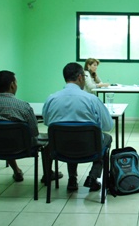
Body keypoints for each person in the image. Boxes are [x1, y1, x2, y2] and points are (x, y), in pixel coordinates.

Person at [0, 70, 63, 183]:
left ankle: (16, 171)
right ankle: (48, 174)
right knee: (48, 139)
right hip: (21, 147)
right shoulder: (23, 106)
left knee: (3, 137)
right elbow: (34, 132)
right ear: (12, 85)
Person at [43, 62, 113, 192]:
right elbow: (108, 125)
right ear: (80, 77)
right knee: (106, 138)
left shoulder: (51, 99)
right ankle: (93, 176)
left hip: (60, 148)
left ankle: (72, 179)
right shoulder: (91, 99)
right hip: (89, 148)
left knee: (69, 136)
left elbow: (47, 122)